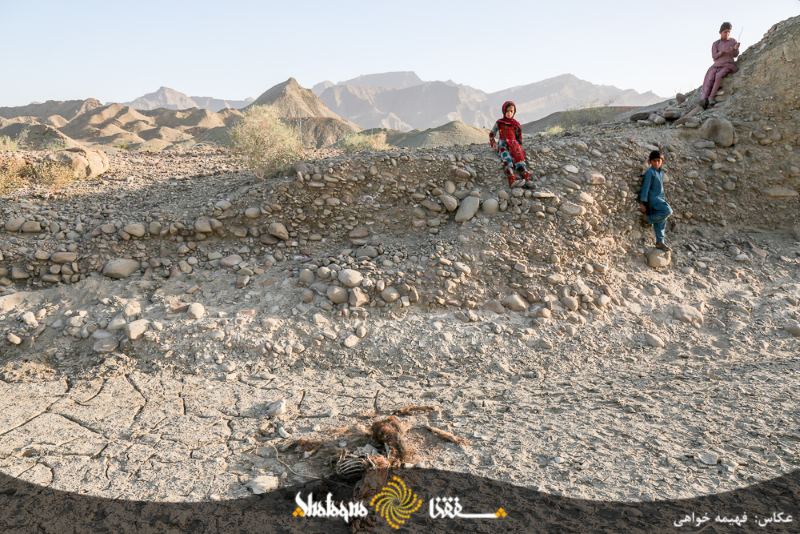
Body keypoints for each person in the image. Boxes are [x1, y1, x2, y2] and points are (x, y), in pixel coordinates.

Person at [489, 101, 533, 188]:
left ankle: (526, 178)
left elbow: (519, 137)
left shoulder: (516, 124)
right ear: (503, 111)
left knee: (519, 158)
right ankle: (512, 180)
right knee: (507, 159)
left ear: (514, 112)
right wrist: (493, 143)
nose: (509, 113)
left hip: (514, 145)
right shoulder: (499, 122)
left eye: (511, 111)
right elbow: (492, 134)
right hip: (503, 144)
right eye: (507, 111)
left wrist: (519, 146)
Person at [639, 150, 673, 251]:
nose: (657, 163)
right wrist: (642, 203)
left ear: (662, 161)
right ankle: (647, 220)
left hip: (660, 199)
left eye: (659, 161)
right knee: (668, 211)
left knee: (662, 221)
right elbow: (645, 188)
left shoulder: (661, 173)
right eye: (654, 161)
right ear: (650, 161)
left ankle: (660, 242)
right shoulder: (650, 172)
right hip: (653, 200)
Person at [700, 22, 740, 109]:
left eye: (729, 32)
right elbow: (714, 56)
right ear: (720, 32)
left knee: (718, 76)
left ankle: (711, 97)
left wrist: (735, 49)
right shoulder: (716, 44)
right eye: (725, 32)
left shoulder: (733, 41)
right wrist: (721, 52)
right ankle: (704, 99)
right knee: (710, 77)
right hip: (717, 64)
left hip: (728, 64)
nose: (727, 34)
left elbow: (735, 55)